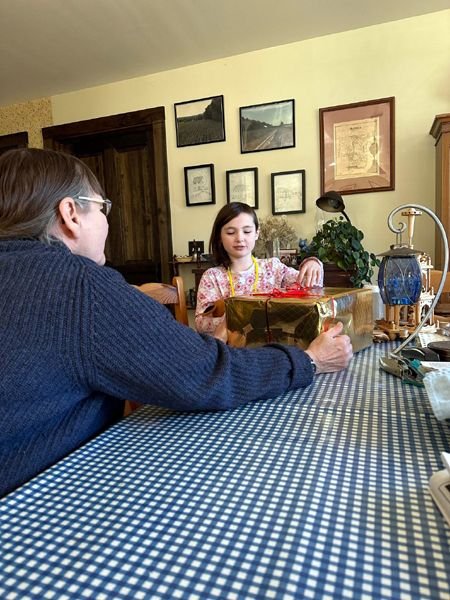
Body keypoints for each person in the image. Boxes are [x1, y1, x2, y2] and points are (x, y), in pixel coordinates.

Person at [0, 148, 352, 497]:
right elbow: (203, 373)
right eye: (103, 207)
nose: (108, 219)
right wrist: (309, 360)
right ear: (71, 214)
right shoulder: (81, 287)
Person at [195, 202, 323, 340]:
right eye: (231, 232)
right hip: (232, 350)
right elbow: (201, 323)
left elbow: (310, 287)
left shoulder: (273, 268)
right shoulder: (212, 277)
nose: (240, 238)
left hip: (273, 346)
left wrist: (313, 264)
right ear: (220, 237)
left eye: (247, 231)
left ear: (257, 233)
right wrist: (236, 316)